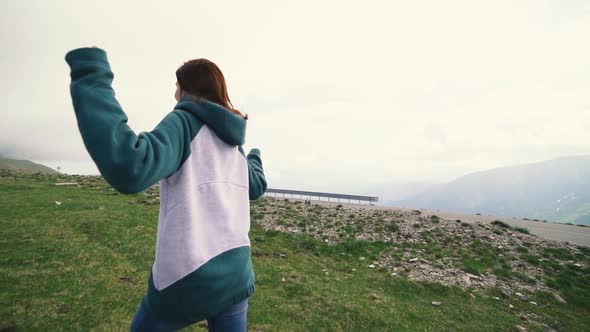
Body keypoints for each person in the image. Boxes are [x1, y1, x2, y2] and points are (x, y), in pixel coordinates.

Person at [65, 47, 267, 331]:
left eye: (176, 84)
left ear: (185, 87)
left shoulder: (183, 123)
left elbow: (130, 166)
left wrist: (90, 74)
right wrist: (254, 155)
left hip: (186, 279)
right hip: (237, 274)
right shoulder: (234, 144)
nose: (174, 91)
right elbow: (256, 186)